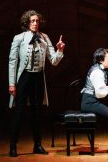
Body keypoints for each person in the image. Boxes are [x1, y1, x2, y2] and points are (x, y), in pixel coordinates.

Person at [8, 10, 65, 157]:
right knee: (19, 112)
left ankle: (37, 145)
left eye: (37, 21)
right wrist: (12, 83)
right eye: (32, 21)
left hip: (38, 78)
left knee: (37, 113)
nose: (35, 23)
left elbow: (53, 61)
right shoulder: (19, 38)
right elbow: (12, 61)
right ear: (27, 22)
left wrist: (59, 50)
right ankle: (13, 146)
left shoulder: (44, 38)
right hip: (24, 77)